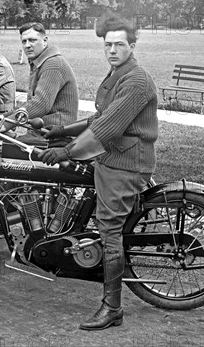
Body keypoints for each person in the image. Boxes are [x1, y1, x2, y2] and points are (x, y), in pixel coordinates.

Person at [39, 16, 159, 331]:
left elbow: (108, 127)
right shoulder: (117, 73)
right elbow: (98, 117)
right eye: (108, 44)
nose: (113, 50)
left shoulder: (136, 80)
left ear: (132, 46)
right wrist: (60, 131)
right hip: (111, 157)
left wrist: (66, 150)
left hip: (126, 163)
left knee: (109, 231)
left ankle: (113, 308)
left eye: (120, 44)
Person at [10, 22, 78, 134]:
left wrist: (6, 123)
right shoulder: (41, 62)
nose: (27, 45)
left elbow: (41, 104)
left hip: (56, 135)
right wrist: (3, 117)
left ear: (45, 41)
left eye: (32, 40)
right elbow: (32, 103)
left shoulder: (53, 64)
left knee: (6, 149)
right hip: (42, 130)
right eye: (24, 41)